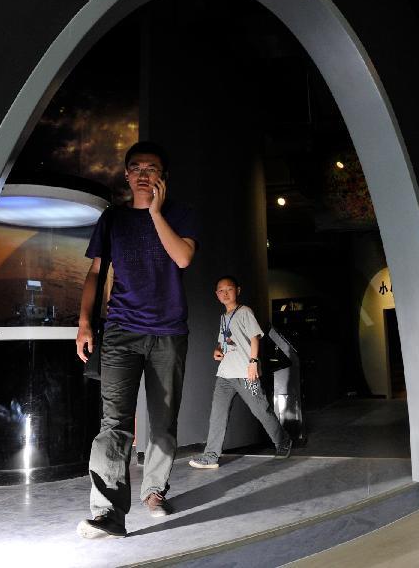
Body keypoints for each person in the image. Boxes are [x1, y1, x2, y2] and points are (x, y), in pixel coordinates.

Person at [75, 141, 199, 539]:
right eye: (136, 167)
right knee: (114, 423)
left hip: (168, 332)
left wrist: (157, 213)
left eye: (152, 167)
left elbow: (182, 258)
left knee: (163, 423)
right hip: (121, 331)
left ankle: (155, 492)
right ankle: (108, 512)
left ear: (163, 177)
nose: (144, 173)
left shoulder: (180, 214)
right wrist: (83, 322)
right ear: (126, 175)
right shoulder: (112, 219)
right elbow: (96, 273)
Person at [189, 276, 292, 470]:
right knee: (217, 415)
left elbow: (255, 338)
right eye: (221, 290)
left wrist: (253, 363)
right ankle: (211, 456)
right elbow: (223, 341)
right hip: (225, 374)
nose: (225, 293)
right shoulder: (223, 317)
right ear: (217, 294)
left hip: (246, 373)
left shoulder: (244, 312)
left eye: (229, 289)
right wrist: (217, 349)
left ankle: (283, 441)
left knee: (261, 410)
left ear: (238, 290)